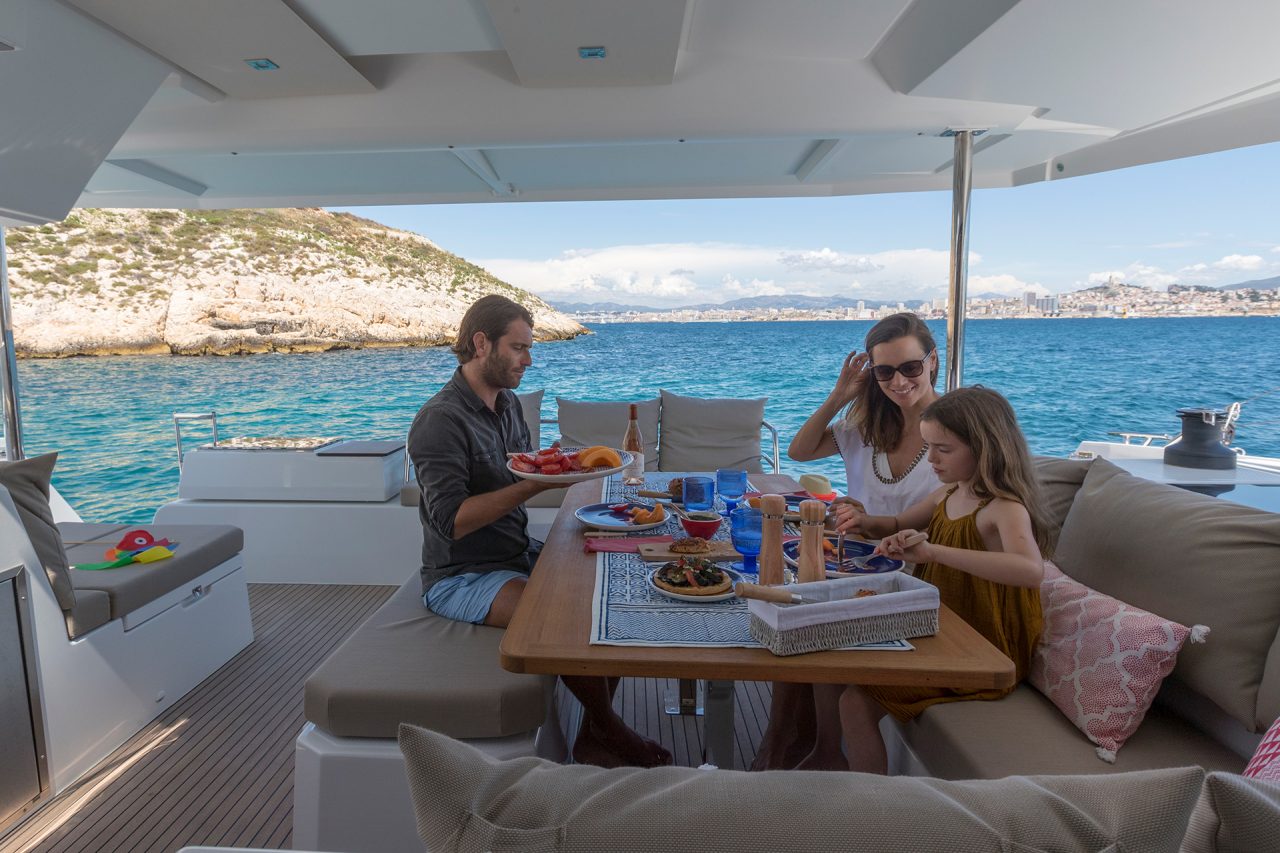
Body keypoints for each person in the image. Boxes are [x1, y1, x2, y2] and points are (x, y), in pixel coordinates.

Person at [409, 294, 671, 769]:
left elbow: (523, 468)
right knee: (568, 617)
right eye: (519, 348)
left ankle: (593, 732)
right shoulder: (439, 421)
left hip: (514, 551)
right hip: (461, 575)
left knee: (603, 590)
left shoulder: (507, 405)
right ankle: (609, 729)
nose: (529, 360)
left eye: (530, 349)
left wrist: (552, 466)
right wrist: (533, 485)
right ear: (481, 343)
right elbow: (452, 520)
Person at [753, 312, 943, 770]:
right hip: (857, 566)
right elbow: (799, 451)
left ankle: (794, 750)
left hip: (917, 574)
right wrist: (841, 395)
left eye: (910, 368)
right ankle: (793, 744)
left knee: (804, 610)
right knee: (788, 603)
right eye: (884, 371)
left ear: (932, 362)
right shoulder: (866, 428)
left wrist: (868, 521)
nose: (898, 381)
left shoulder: (951, 434)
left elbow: (946, 514)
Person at [831, 385, 1050, 773]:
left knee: (853, 700)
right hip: (944, 629)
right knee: (840, 650)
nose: (930, 458)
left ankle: (871, 809)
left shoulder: (1004, 509)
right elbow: (898, 523)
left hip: (984, 648)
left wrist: (931, 552)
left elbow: (1030, 570)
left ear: (985, 447)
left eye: (943, 449)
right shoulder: (949, 492)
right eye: (928, 446)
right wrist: (868, 522)